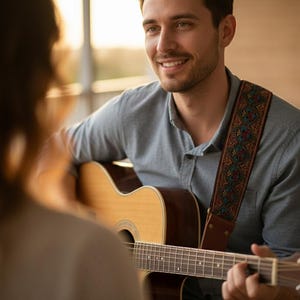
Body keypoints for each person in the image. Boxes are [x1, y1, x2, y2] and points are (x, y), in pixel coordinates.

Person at [61, 0, 300, 299]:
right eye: (152, 28)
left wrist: (275, 295)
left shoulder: (289, 140)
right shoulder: (132, 112)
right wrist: (73, 226)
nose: (163, 45)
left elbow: (290, 279)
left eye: (182, 24)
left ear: (225, 31)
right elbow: (51, 153)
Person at [0, 1, 147, 299]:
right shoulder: (89, 252)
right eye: (151, 28)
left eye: (184, 24)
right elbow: (56, 147)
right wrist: (66, 211)